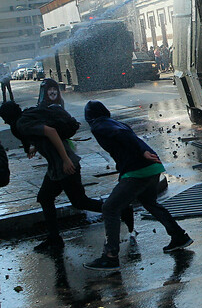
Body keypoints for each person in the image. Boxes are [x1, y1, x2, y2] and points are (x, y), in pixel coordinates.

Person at [0, 101, 133, 251]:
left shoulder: (22, 124)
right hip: (56, 167)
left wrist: (65, 160)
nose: (4, 121)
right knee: (45, 197)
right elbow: (44, 135)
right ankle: (54, 238)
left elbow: (51, 132)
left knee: (80, 202)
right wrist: (37, 147)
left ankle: (121, 210)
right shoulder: (26, 117)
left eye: (3, 118)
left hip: (64, 165)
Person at [83, 101, 192, 271]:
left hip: (138, 171)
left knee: (110, 208)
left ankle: (110, 256)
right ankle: (179, 236)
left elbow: (124, 136)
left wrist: (142, 151)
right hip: (152, 167)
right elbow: (126, 136)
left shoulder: (99, 125)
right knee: (150, 203)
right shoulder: (116, 122)